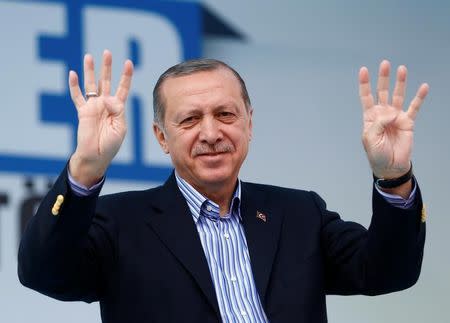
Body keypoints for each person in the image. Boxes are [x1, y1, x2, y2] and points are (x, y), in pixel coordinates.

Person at [18, 50, 428, 323]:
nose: (211, 132)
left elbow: (387, 272)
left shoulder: (300, 214)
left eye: (225, 114)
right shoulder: (119, 222)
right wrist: (85, 169)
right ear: (162, 137)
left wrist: (394, 177)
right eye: (190, 120)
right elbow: (43, 273)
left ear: (249, 121)